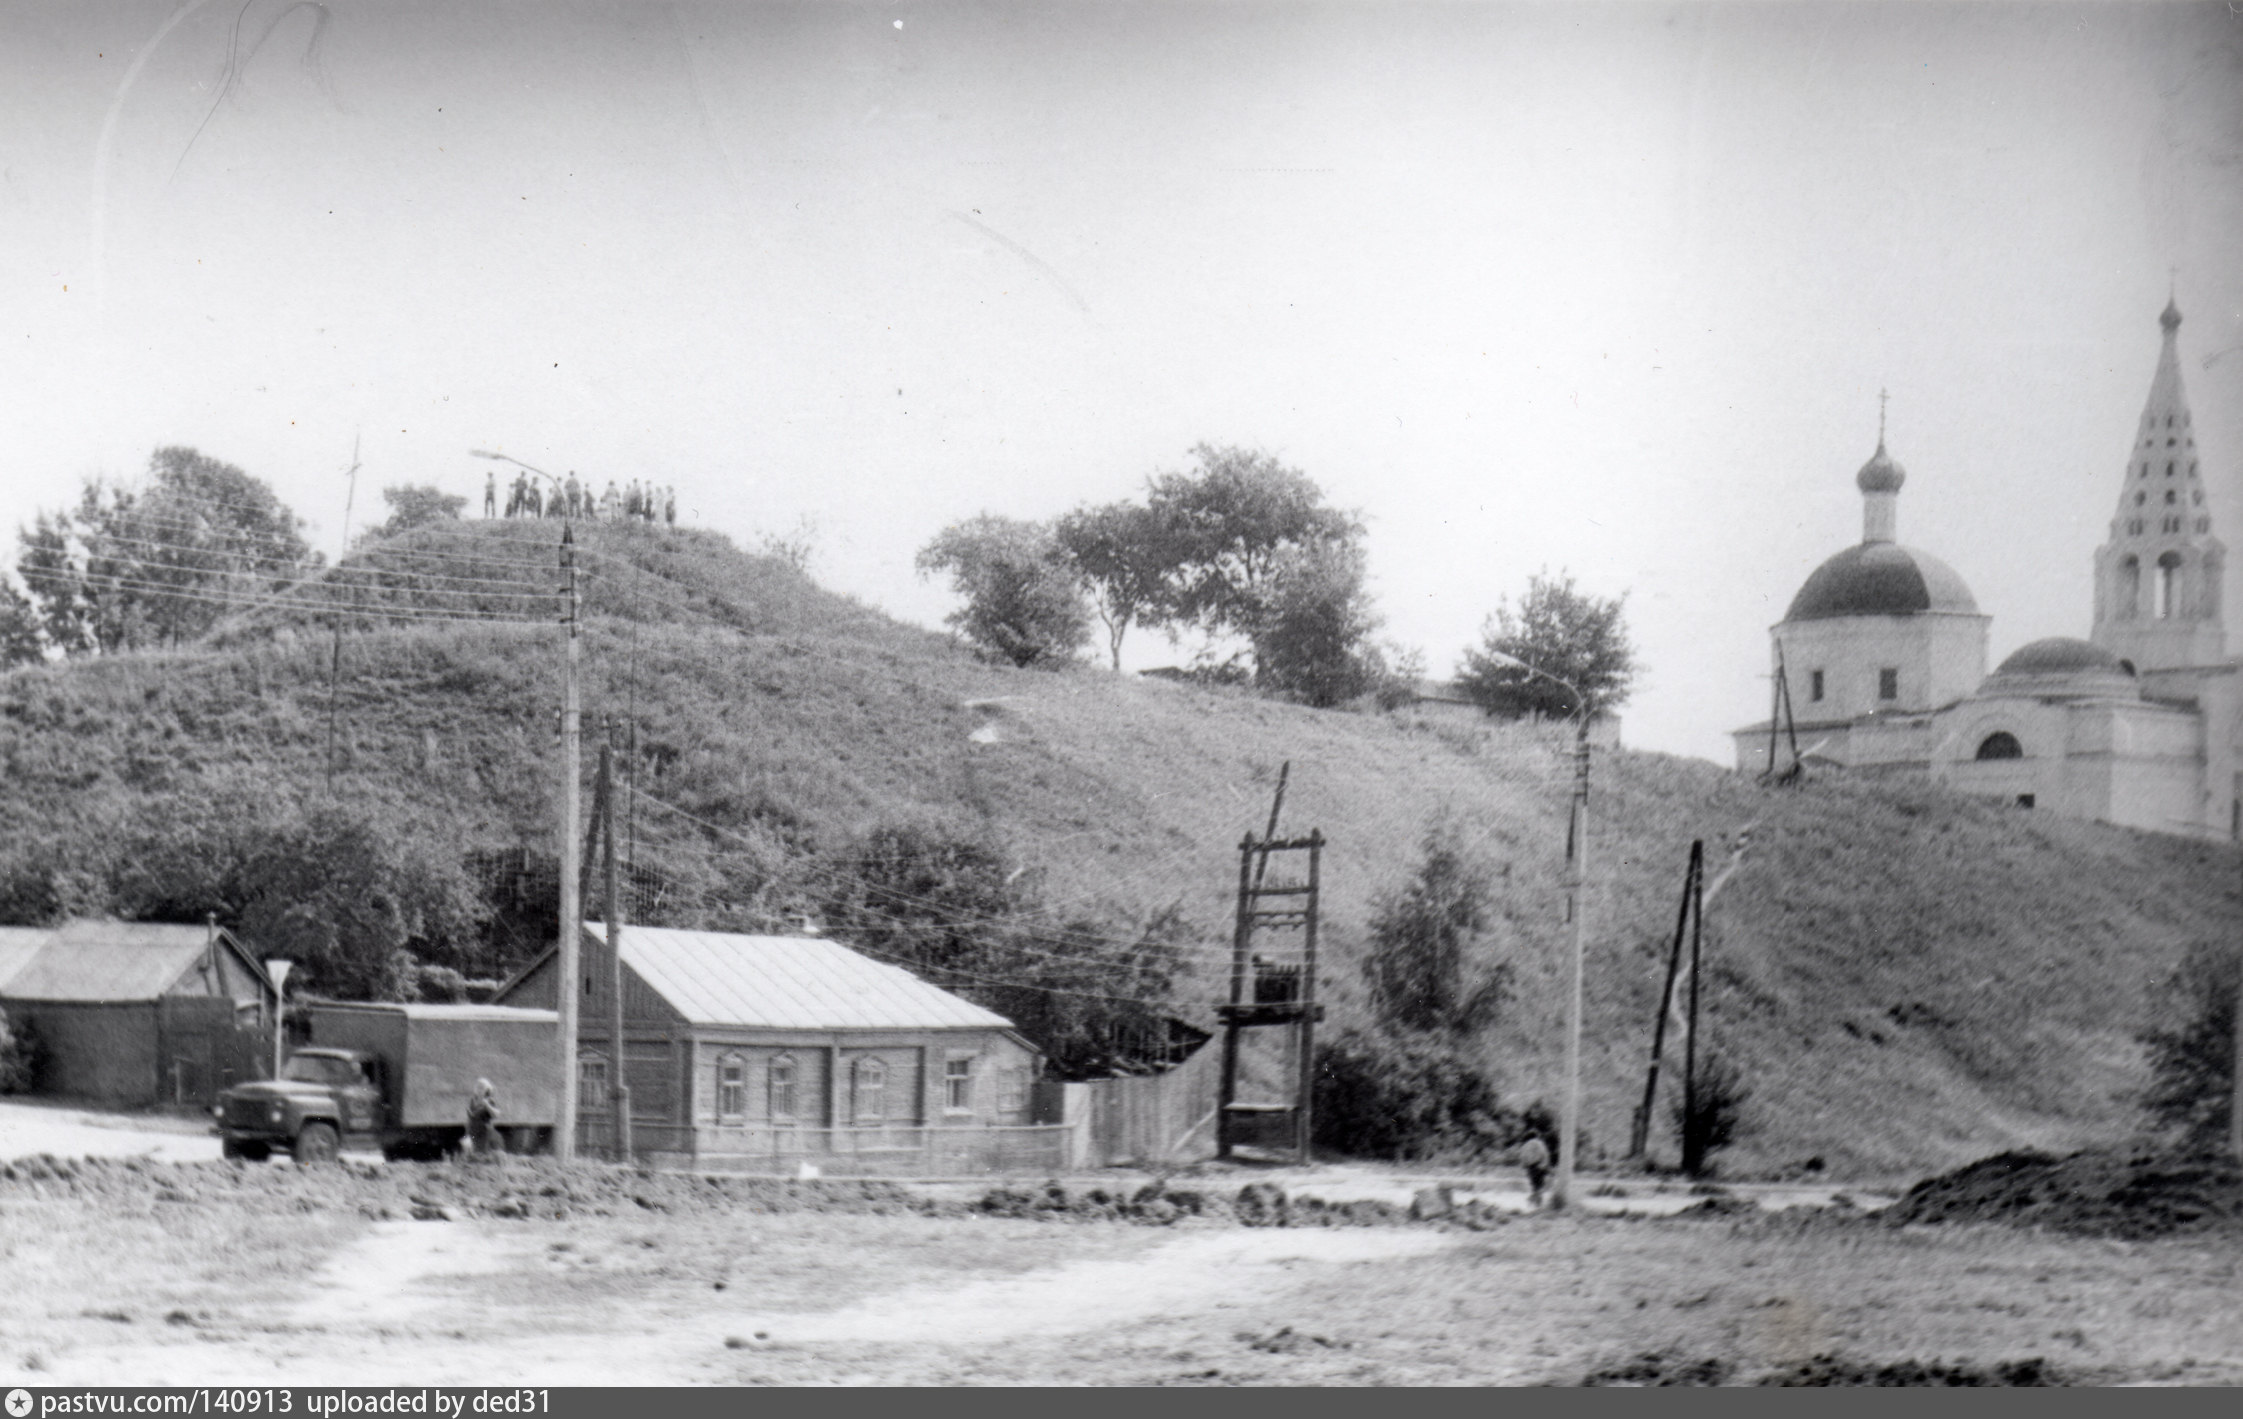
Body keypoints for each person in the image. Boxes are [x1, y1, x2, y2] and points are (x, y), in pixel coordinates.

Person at [467, 1077, 501, 1160]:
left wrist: (487, 1105)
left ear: (487, 1089)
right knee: (473, 1153)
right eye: (478, 1086)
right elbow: (470, 1116)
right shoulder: (472, 1100)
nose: (479, 1089)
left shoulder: (489, 1101)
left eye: (482, 1087)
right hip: (473, 1130)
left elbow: (496, 1114)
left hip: (484, 1131)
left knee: (483, 1154)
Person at [1519, 1132, 1551, 1209]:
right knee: (1540, 1186)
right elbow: (1545, 1155)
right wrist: (1546, 1166)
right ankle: (1537, 1204)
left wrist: (1525, 1167)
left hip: (1531, 1167)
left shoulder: (1525, 1145)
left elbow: (1523, 1157)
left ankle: (1533, 1201)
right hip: (1540, 1166)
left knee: (1534, 1186)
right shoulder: (1540, 1143)